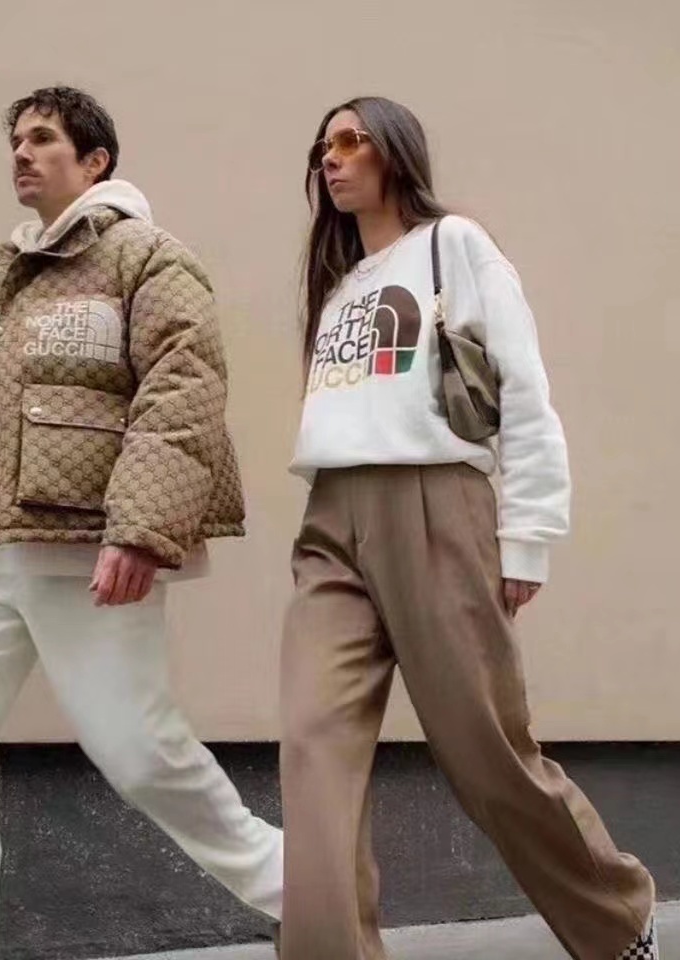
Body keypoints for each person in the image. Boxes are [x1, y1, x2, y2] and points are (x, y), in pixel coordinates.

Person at [0, 85, 282, 960]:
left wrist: (139, 530)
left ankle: (308, 891)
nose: (22, 154)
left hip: (81, 554)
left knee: (141, 755)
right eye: (16, 142)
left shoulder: (149, 257)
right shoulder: (16, 268)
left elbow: (181, 394)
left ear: (96, 161)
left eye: (43, 139)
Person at [278, 96, 658, 960]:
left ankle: (616, 918)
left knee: (485, 749)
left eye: (352, 141)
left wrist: (527, 536)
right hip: (330, 517)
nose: (332, 159)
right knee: (311, 745)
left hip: (435, 506)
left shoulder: (455, 246)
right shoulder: (339, 283)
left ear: (395, 152)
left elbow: (523, 391)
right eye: (323, 147)